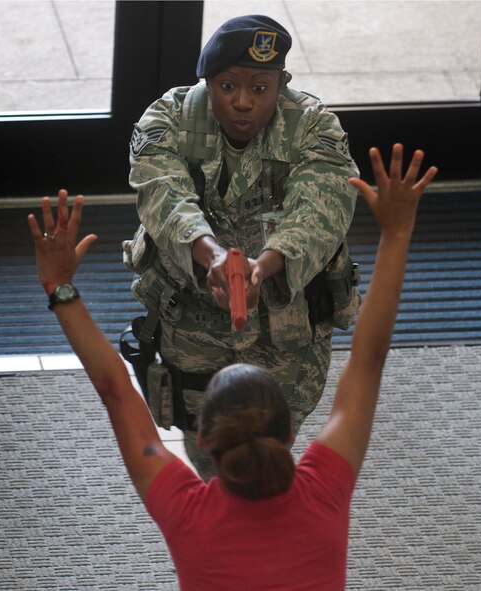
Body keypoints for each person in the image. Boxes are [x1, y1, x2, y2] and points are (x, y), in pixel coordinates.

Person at [28, 143, 437, 590]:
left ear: (201, 438)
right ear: (289, 434)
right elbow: (369, 358)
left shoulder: (188, 512)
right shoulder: (323, 492)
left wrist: (60, 285)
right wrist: (397, 234)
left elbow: (114, 388)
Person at [122, 15, 361, 477]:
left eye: (260, 87)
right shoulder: (166, 120)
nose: (243, 103)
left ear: (281, 84)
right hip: (192, 319)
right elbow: (164, 197)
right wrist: (213, 257)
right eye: (228, 86)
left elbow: (318, 214)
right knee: (206, 443)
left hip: (285, 325)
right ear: (207, 82)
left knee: (273, 451)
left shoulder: (315, 128)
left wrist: (262, 267)